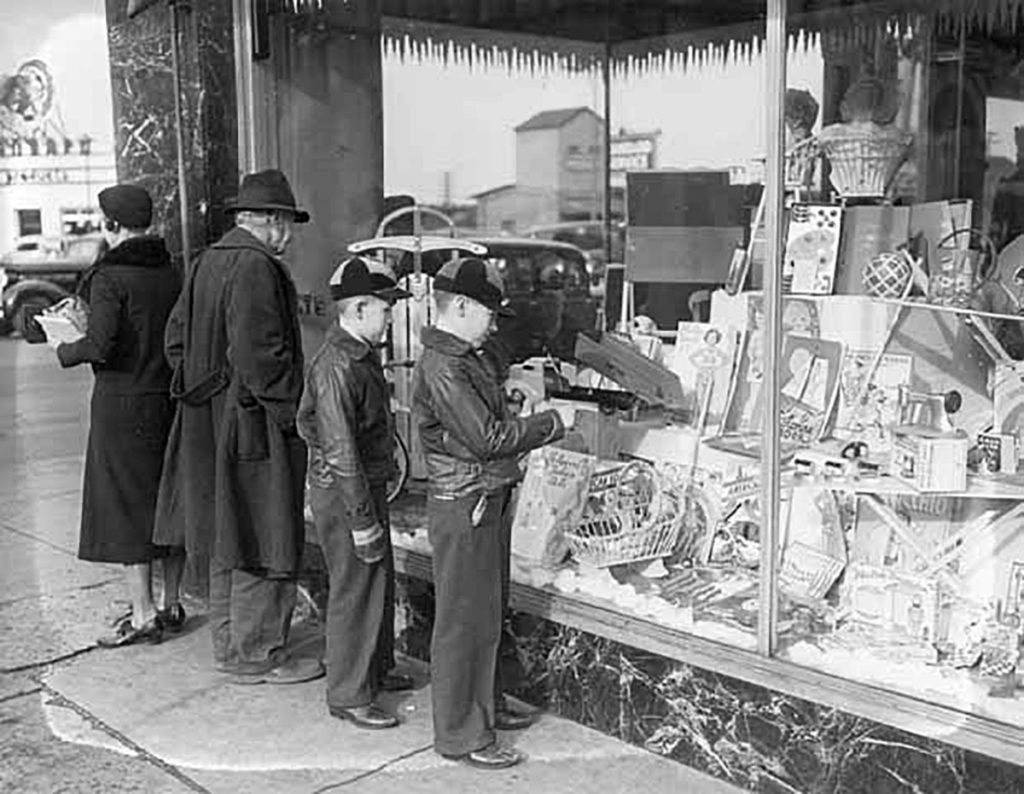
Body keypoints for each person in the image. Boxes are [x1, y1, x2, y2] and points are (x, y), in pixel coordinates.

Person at [154, 169, 322, 684]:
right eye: (287, 223)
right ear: (269, 221)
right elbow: (262, 359)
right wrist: (297, 414)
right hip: (253, 426)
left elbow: (174, 342)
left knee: (228, 534)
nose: (289, 236)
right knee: (263, 531)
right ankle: (259, 652)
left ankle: (231, 648)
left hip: (208, 422)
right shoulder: (256, 267)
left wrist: (208, 396)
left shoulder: (209, 260)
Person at [412, 257, 574, 770]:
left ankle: (485, 707)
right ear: (459, 306)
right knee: (464, 621)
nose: (493, 322)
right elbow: (488, 440)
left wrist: (505, 398)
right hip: (468, 503)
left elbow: (480, 421)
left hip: (484, 498)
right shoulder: (444, 364)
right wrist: (551, 424)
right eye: (487, 312)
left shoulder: (463, 355)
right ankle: (461, 733)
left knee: (484, 614)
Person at [53, 184, 184, 646]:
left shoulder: (110, 277)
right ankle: (171, 603)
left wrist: (64, 347)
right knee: (167, 497)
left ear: (111, 225)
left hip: (121, 404)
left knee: (129, 507)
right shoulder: (172, 271)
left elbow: (100, 345)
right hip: (167, 400)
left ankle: (144, 613)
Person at [296, 255, 414, 730]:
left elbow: (311, 424)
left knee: (375, 580)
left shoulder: (355, 355)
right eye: (386, 307)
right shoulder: (339, 364)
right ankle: (349, 692)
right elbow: (341, 449)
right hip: (349, 494)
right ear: (360, 308)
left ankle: (376, 671)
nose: (391, 316)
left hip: (359, 486)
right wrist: (362, 517)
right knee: (355, 588)